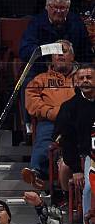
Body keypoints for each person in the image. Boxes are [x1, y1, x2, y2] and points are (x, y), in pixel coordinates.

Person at [22, 40, 77, 191]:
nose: (60, 56)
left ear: (72, 56)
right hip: (51, 120)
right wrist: (48, 111)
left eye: (64, 51)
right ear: (52, 58)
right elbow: (31, 99)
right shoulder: (41, 79)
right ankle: (36, 173)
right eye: (56, 53)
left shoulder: (84, 76)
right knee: (44, 138)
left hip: (78, 121)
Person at [54, 65, 95, 220]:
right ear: (76, 82)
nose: (85, 81)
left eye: (89, 77)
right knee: (90, 188)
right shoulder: (69, 107)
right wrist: (76, 169)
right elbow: (66, 140)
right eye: (82, 78)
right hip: (88, 156)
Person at [19, 0, 91, 75]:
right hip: (42, 69)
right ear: (47, 7)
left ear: (68, 9)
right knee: (28, 84)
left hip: (71, 70)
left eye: (62, 8)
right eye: (55, 7)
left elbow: (86, 52)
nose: (59, 11)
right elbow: (25, 51)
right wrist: (51, 50)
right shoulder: (36, 23)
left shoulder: (77, 23)